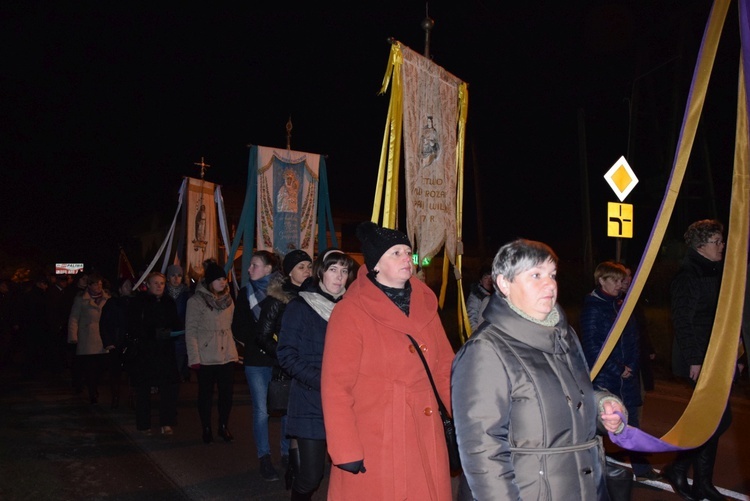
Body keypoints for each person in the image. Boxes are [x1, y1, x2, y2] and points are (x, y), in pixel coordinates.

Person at [451, 238, 626, 500]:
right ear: (504, 284)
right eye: (535, 275)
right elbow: (483, 453)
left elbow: (574, 395)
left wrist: (602, 406)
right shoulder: (485, 350)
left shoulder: (565, 335)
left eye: (552, 274)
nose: (550, 284)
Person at [321, 222, 455, 501]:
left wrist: (469, 422)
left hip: (426, 433)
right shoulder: (351, 311)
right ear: (376, 264)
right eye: (396, 253)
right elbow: (336, 387)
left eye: (407, 251)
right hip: (377, 436)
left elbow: (445, 369)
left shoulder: (425, 303)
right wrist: (345, 449)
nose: (407, 258)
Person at [277, 249, 356, 500]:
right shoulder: (301, 306)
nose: (339, 276)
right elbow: (286, 355)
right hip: (312, 399)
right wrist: (322, 380)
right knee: (311, 476)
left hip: (348, 402)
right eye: (333, 269)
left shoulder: (353, 308)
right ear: (321, 272)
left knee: (350, 468)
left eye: (344, 271)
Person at [663, 219, 732, 501]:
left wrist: (735, 353)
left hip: (717, 356)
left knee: (714, 420)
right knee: (716, 419)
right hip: (700, 359)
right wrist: (694, 359)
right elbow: (683, 321)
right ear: (701, 245)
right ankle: (682, 471)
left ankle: (695, 479)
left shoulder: (718, 272)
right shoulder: (688, 275)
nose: (723, 246)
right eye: (717, 241)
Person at [580, 260, 659, 482]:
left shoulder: (621, 305)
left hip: (626, 377)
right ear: (602, 280)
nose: (619, 284)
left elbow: (634, 338)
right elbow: (593, 346)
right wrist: (617, 369)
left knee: (631, 423)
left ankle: (642, 470)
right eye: (614, 280)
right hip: (606, 379)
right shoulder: (593, 309)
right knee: (600, 427)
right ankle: (592, 472)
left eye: (620, 280)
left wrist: (632, 365)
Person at [251, 249, 313, 481]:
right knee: (271, 410)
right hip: (284, 365)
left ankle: (289, 455)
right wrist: (285, 356)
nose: (307, 271)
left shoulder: (313, 295)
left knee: (294, 413)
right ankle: (266, 458)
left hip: (306, 365)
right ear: (289, 273)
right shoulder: (278, 299)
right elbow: (263, 335)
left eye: (309, 266)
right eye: (301, 267)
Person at [231, 250, 286, 481]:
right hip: (255, 360)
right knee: (262, 411)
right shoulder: (244, 294)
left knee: (284, 407)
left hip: (278, 359)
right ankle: (264, 457)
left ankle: (287, 453)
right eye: (251, 265)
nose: (250, 269)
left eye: (254, 265)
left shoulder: (282, 293)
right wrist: (261, 338)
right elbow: (238, 328)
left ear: (268, 269)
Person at [185, 260, 239, 444]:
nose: (223, 282)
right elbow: (191, 330)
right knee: (206, 395)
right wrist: (194, 357)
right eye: (218, 279)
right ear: (209, 281)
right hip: (206, 355)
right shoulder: (196, 301)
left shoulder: (229, 300)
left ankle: (223, 425)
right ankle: (206, 427)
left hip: (227, 354)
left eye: (224, 279)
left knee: (226, 394)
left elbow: (233, 326)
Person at [126, 272, 182, 434]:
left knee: (169, 388)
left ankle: (167, 423)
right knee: (143, 390)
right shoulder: (139, 302)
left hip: (165, 351)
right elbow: (133, 326)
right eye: (156, 283)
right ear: (148, 285)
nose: (159, 286)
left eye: (162, 283)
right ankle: (144, 424)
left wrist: (171, 332)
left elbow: (176, 322)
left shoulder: (168, 302)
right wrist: (152, 333)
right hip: (145, 352)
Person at [67, 271, 110, 404]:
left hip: (103, 337)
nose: (98, 286)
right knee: (90, 368)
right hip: (87, 337)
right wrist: (73, 335)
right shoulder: (81, 299)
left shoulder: (107, 298)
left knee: (101, 367)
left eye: (100, 284)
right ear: (89, 285)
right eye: (95, 284)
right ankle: (92, 391)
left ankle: (94, 386)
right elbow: (74, 318)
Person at [100, 278, 135, 409]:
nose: (128, 287)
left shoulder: (135, 303)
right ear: (119, 289)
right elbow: (104, 324)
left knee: (132, 371)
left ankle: (132, 397)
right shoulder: (112, 303)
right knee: (115, 373)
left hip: (131, 342)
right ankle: (115, 396)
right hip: (117, 341)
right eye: (125, 285)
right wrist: (108, 341)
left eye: (129, 285)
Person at [165, 264, 191, 382]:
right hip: (166, 333)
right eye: (173, 275)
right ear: (168, 277)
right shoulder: (163, 294)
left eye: (179, 275)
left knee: (179, 357)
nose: (176, 278)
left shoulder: (187, 295)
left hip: (182, 333)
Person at [466, 265, 492, 331]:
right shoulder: (475, 296)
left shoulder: (497, 294)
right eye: (486, 278)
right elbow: (471, 316)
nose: (489, 281)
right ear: (480, 281)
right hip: (482, 333)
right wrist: (476, 334)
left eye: (491, 278)